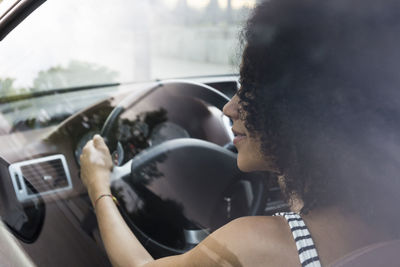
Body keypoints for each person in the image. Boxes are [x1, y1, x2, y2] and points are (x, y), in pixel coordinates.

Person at [80, 0, 400, 266]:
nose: (229, 109)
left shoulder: (255, 245)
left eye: (249, 92)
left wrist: (98, 184)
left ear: (298, 112)